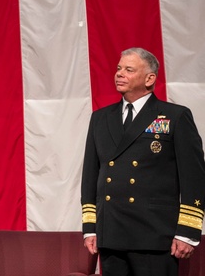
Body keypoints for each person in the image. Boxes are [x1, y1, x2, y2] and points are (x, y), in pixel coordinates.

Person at [81, 47, 205, 276]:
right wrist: (90, 228)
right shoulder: (100, 118)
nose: (119, 74)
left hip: (155, 235)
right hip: (111, 233)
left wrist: (188, 231)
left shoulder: (174, 116)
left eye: (129, 69)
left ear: (149, 79)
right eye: (119, 68)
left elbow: (194, 177)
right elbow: (90, 176)